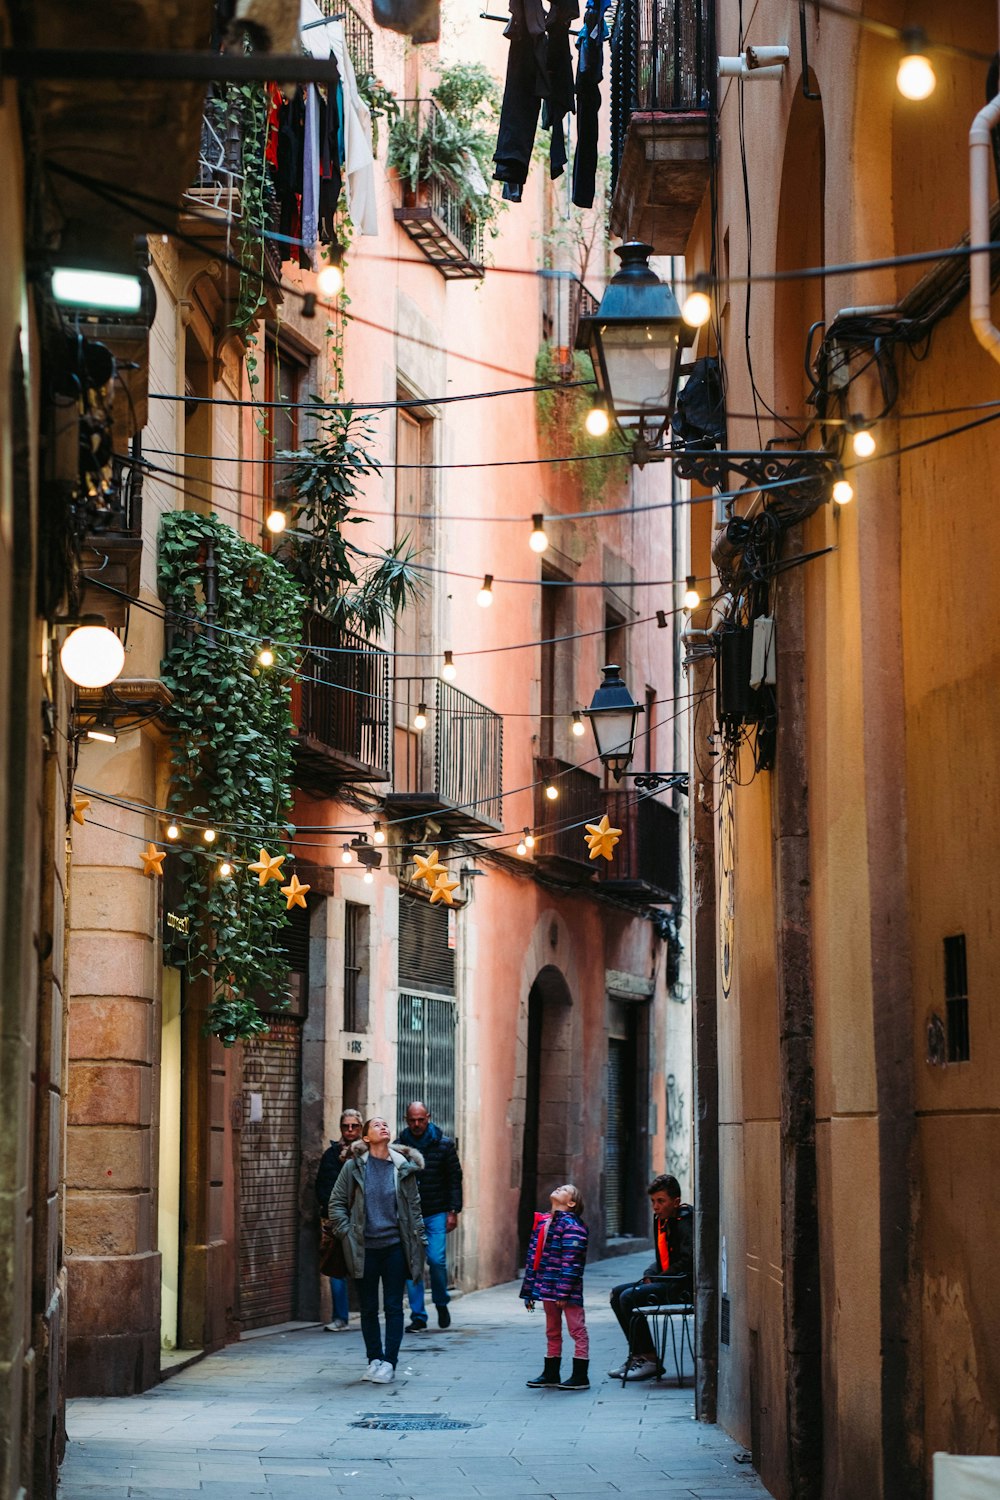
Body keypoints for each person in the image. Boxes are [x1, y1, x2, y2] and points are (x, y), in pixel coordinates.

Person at [329, 1116, 427, 1384]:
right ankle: (374, 1359)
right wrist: (346, 1232)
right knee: (369, 1307)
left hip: (395, 1247)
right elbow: (336, 1202)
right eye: (376, 1125)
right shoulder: (353, 1168)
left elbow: (415, 1207)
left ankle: (390, 1362)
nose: (383, 1127)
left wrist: (419, 1241)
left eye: (385, 1124)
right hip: (364, 1248)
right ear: (366, 1138)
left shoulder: (402, 1168)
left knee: (394, 1306)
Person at [608, 1173, 693, 1382]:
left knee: (628, 1297)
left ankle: (649, 1359)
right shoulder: (662, 1220)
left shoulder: (685, 1222)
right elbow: (663, 1258)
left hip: (682, 1286)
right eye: (653, 1201)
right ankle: (637, 1355)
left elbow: (688, 1261)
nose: (655, 1207)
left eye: (661, 1201)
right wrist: (650, 1273)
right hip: (667, 1281)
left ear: (676, 1202)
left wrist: (659, 1278)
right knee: (616, 1293)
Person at [394, 1100, 463, 1331]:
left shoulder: (443, 1145)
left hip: (436, 1213)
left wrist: (453, 1211)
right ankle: (418, 1317)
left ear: (428, 1117)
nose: (416, 1124)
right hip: (410, 1215)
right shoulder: (399, 1147)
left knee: (436, 1260)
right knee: (413, 1266)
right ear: (406, 1120)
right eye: (412, 1120)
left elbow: (455, 1178)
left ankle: (441, 1302)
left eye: (420, 1119)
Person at [520, 1183, 590, 1391]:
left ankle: (580, 1375)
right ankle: (551, 1372)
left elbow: (572, 1261)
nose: (559, 1188)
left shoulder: (572, 1227)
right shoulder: (544, 1223)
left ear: (571, 1203)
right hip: (547, 1288)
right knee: (552, 1330)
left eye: (565, 1189)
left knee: (577, 1329)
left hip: (566, 1291)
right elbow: (534, 1258)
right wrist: (531, 1290)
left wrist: (564, 1292)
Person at [315, 1109, 363, 1330]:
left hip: (363, 1221)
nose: (350, 1130)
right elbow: (322, 1187)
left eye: (354, 1126)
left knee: (364, 1267)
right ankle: (340, 1317)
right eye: (346, 1126)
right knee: (336, 1267)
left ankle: (367, 1311)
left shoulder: (369, 1154)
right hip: (336, 1220)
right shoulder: (331, 1154)